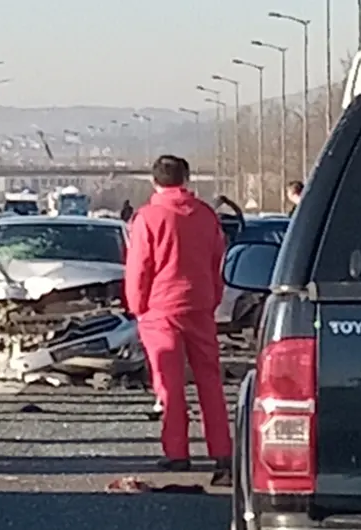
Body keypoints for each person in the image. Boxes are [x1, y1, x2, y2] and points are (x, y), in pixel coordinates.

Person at [125, 154, 232, 486]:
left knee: (169, 384)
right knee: (210, 382)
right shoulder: (205, 216)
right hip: (199, 305)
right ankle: (223, 453)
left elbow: (139, 267)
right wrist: (212, 298)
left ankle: (177, 453)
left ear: (155, 181)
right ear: (186, 179)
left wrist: (137, 306)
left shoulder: (148, 218)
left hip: (161, 308)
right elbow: (218, 261)